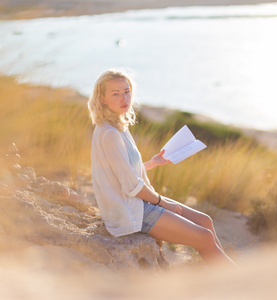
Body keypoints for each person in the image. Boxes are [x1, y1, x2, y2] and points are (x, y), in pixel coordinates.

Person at [88, 69, 236, 268]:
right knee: (204, 237)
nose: (124, 98)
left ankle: (228, 278)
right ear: (102, 98)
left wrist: (152, 163)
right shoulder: (110, 134)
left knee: (205, 221)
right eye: (115, 94)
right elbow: (130, 186)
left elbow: (122, 171)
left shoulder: (117, 126)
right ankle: (237, 283)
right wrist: (161, 202)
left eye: (126, 91)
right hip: (128, 211)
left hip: (137, 202)